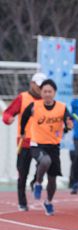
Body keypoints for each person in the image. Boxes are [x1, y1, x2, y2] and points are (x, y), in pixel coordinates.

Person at [20, 79, 73, 216]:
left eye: (50, 91)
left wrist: (68, 125)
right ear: (41, 92)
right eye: (45, 91)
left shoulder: (61, 107)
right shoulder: (34, 106)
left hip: (54, 146)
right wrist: (22, 132)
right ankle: (37, 183)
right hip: (37, 144)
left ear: (54, 93)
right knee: (45, 161)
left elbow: (68, 121)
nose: (47, 94)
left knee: (52, 179)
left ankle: (48, 202)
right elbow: (24, 117)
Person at [2, 72, 47, 211]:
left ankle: (35, 182)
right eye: (38, 86)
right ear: (32, 84)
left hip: (41, 140)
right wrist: (8, 119)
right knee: (22, 172)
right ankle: (22, 202)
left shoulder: (47, 100)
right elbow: (8, 113)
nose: (40, 89)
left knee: (45, 162)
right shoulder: (23, 97)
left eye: (43, 86)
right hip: (24, 140)